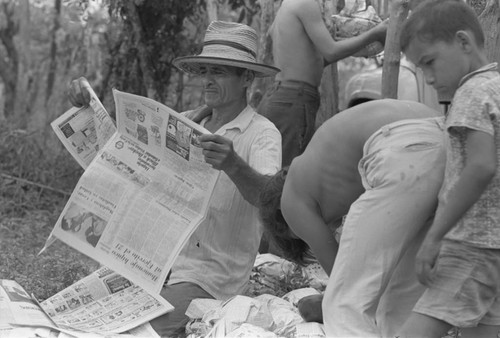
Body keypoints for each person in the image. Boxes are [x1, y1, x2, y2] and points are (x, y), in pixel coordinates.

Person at [68, 21, 282, 337]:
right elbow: (129, 165)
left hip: (211, 277)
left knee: (136, 332)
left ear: (247, 78)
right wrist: (90, 111)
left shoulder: (261, 133)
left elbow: (271, 200)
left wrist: (234, 165)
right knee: (77, 315)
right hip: (155, 265)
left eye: (220, 72)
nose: (208, 80)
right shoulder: (184, 123)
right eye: (205, 71)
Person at [259, 99, 446, 337]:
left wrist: (318, 303)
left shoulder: (291, 203)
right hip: (443, 130)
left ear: (287, 227)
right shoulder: (326, 170)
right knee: (401, 299)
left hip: (404, 145)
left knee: (344, 305)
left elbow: (345, 280)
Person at [396, 1, 500, 337]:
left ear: (464, 42)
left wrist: (435, 235)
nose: (427, 77)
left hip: (471, 242)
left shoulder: (471, 92)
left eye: (429, 62)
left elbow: (480, 167)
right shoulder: (496, 87)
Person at [256, 0, 388, 167]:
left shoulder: (288, 6)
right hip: (292, 100)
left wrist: (357, 46)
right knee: (283, 178)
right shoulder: (305, 3)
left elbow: (314, 61)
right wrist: (375, 33)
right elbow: (331, 51)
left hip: (284, 97)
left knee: (278, 171)